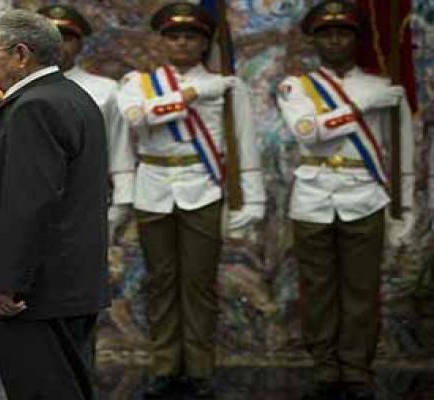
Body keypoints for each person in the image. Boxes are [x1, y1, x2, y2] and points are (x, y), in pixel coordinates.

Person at [0, 9, 110, 400]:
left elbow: (29, 203)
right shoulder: (69, 95)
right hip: (65, 284)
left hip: (33, 294)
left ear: (20, 54)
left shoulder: (34, 107)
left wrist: (7, 282)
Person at [115, 2, 265, 398]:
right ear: (161, 41)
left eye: (192, 36)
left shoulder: (229, 86)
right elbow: (135, 117)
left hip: (204, 188)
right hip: (154, 188)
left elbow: (244, 144)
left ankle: (199, 369)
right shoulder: (137, 82)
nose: (182, 42)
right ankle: (164, 366)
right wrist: (195, 92)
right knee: (160, 282)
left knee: (199, 283)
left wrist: (253, 200)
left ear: (205, 43)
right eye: (174, 35)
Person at [276, 1, 414, 399]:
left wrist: (404, 209)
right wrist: (365, 104)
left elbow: (400, 149)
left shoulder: (383, 85)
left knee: (361, 288)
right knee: (316, 289)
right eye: (326, 33)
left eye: (344, 32)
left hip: (365, 197)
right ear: (314, 40)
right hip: (313, 198)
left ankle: (356, 368)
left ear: (356, 39)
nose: (335, 39)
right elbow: (308, 131)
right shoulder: (296, 87)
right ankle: (324, 365)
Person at [37, 4, 134, 241]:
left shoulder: (105, 90)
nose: (58, 46)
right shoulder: (14, 88)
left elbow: (120, 147)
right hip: (29, 201)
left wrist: (122, 200)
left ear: (80, 44)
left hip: (84, 200)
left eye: (66, 39)